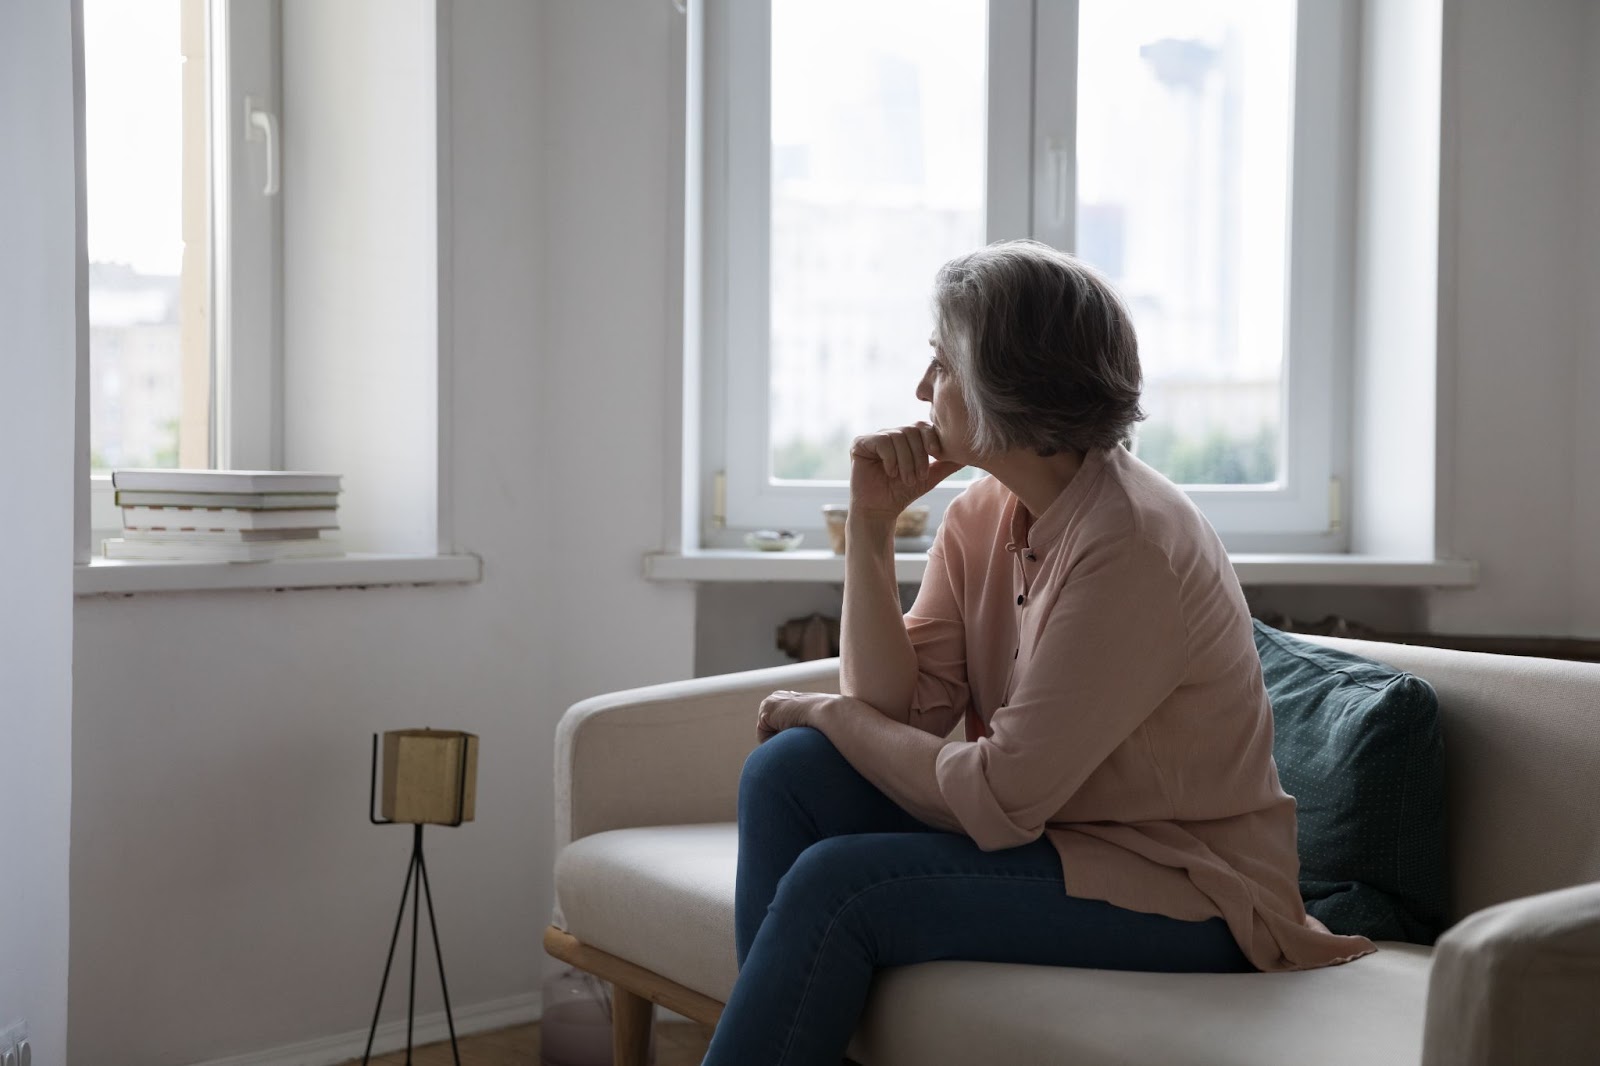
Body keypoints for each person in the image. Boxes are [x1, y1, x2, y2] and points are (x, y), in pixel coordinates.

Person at [699, 240, 1374, 1066]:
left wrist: (831, 712)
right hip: (1057, 838)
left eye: (941, 364)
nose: (920, 389)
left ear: (1005, 388)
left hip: (1189, 886)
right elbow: (896, 714)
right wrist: (871, 529)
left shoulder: (1132, 545)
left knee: (841, 885)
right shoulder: (982, 512)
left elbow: (996, 795)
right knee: (787, 773)